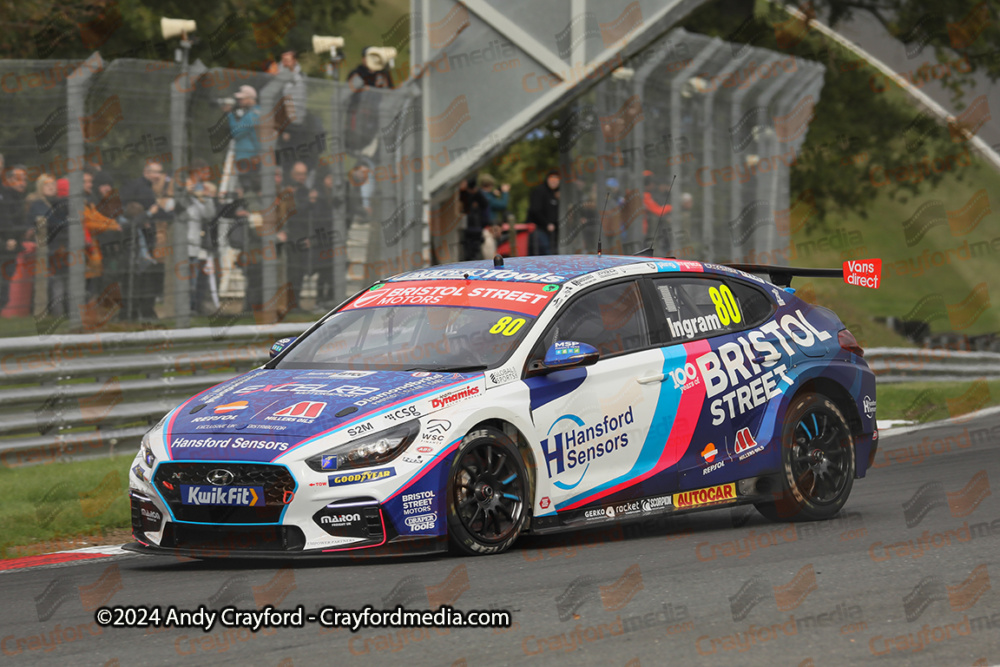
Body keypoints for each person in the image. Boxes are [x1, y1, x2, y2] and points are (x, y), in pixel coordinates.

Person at [0, 163, 29, 310]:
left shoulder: (19, 198)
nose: (22, 183)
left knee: (6, 281)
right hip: (4, 245)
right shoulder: (5, 196)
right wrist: (7, 240)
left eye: (24, 179)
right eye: (18, 179)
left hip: (12, 248)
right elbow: (5, 220)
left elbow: (19, 222)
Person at [225, 85, 262, 194]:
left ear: (250, 99)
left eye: (242, 98)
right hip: (252, 157)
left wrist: (230, 115)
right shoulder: (257, 113)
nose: (239, 101)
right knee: (251, 188)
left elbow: (236, 132)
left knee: (245, 190)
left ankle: (247, 209)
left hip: (247, 158)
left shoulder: (251, 115)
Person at [285, 161, 313, 311]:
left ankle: (296, 303)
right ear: (292, 174)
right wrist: (309, 202)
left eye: (304, 174)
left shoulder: (306, 190)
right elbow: (292, 211)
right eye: (299, 174)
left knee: (300, 272)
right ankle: (290, 303)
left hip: (303, 237)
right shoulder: (288, 190)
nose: (302, 177)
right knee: (292, 271)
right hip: (290, 236)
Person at [526, 170, 560, 255]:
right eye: (552, 179)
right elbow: (535, 210)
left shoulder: (557, 194)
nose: (554, 182)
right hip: (538, 228)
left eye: (556, 180)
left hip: (552, 230)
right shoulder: (540, 191)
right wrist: (547, 224)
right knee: (545, 251)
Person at [458, 176, 489, 261]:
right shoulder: (466, 194)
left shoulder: (477, 195)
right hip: (469, 227)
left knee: (474, 251)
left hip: (475, 227)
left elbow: (485, 204)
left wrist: (476, 192)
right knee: (468, 251)